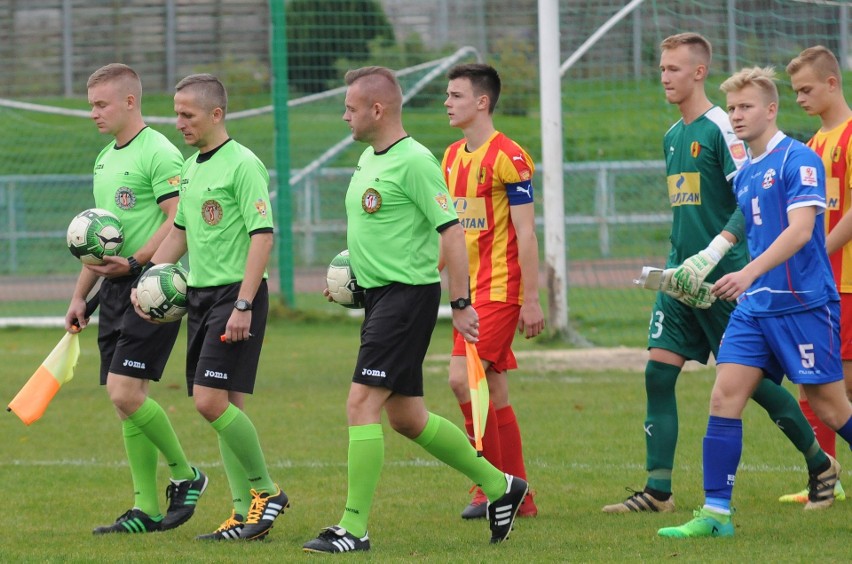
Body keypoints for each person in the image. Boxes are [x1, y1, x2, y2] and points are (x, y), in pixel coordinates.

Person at [603, 32, 832, 515]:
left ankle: (818, 462)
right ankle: (658, 490)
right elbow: (689, 211)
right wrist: (677, 264)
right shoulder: (672, 136)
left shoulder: (722, 129)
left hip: (727, 279)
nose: (664, 77)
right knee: (658, 373)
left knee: (756, 389)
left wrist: (712, 254)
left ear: (699, 72)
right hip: (681, 278)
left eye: (673, 69)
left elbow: (746, 206)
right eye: (661, 68)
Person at [301, 66, 528, 554]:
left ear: (377, 110)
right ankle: (500, 486)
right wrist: (355, 281)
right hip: (381, 298)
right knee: (407, 418)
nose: (345, 116)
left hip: (407, 299)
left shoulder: (417, 162)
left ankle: (353, 528)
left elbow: (450, 232)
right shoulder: (368, 160)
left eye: (350, 108)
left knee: (360, 404)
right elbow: (382, 233)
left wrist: (461, 302)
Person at [658, 66, 852, 539]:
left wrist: (747, 272)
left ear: (771, 109)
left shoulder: (799, 159)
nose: (737, 116)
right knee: (725, 395)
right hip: (756, 307)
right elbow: (740, 226)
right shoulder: (747, 173)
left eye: (746, 107)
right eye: (733, 108)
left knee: (830, 408)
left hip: (803, 304)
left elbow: (802, 231)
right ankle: (716, 515)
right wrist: (705, 263)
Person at [137, 73, 287, 541]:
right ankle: (243, 515)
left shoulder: (244, 165)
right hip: (199, 298)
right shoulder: (191, 167)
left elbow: (263, 235)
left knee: (208, 401)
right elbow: (179, 232)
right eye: (177, 113)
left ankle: (268, 492)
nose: (178, 122)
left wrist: (244, 302)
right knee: (227, 405)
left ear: (216, 114)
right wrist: (148, 283)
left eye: (188, 114)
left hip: (234, 296)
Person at [64, 63, 207, 534]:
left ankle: (187, 475)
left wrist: (140, 262)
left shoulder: (160, 153)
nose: (94, 114)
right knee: (126, 399)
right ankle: (145, 508)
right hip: (115, 287)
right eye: (91, 106)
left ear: (130, 102)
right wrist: (80, 296)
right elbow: (99, 244)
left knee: (123, 390)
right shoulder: (104, 158)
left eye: (101, 104)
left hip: (154, 286)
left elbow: (177, 218)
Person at [441, 63, 544, 519]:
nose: (447, 102)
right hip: (465, 293)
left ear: (482, 102)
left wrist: (533, 299)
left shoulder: (510, 157)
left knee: (463, 379)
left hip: (500, 291)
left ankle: (489, 488)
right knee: (495, 391)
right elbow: (450, 234)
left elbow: (526, 233)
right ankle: (520, 497)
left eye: (456, 95)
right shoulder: (449, 157)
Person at [778, 45, 852, 504]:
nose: (800, 98)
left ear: (831, 83)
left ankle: (828, 480)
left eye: (806, 90)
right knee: (815, 376)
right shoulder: (810, 146)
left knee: (837, 382)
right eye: (794, 92)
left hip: (846, 282)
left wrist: (817, 253)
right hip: (821, 286)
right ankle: (826, 478)